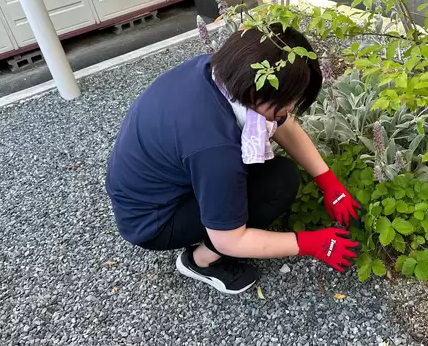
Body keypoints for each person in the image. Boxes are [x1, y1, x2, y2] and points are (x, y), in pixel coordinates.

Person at [105, 24, 363, 294]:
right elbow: (231, 240)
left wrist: (327, 179)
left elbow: (281, 122)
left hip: (150, 187)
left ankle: (204, 224)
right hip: (152, 221)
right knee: (279, 183)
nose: (290, 108)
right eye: (288, 100)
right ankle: (199, 261)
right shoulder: (214, 148)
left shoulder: (218, 72)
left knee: (274, 170)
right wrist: (311, 243)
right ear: (255, 92)